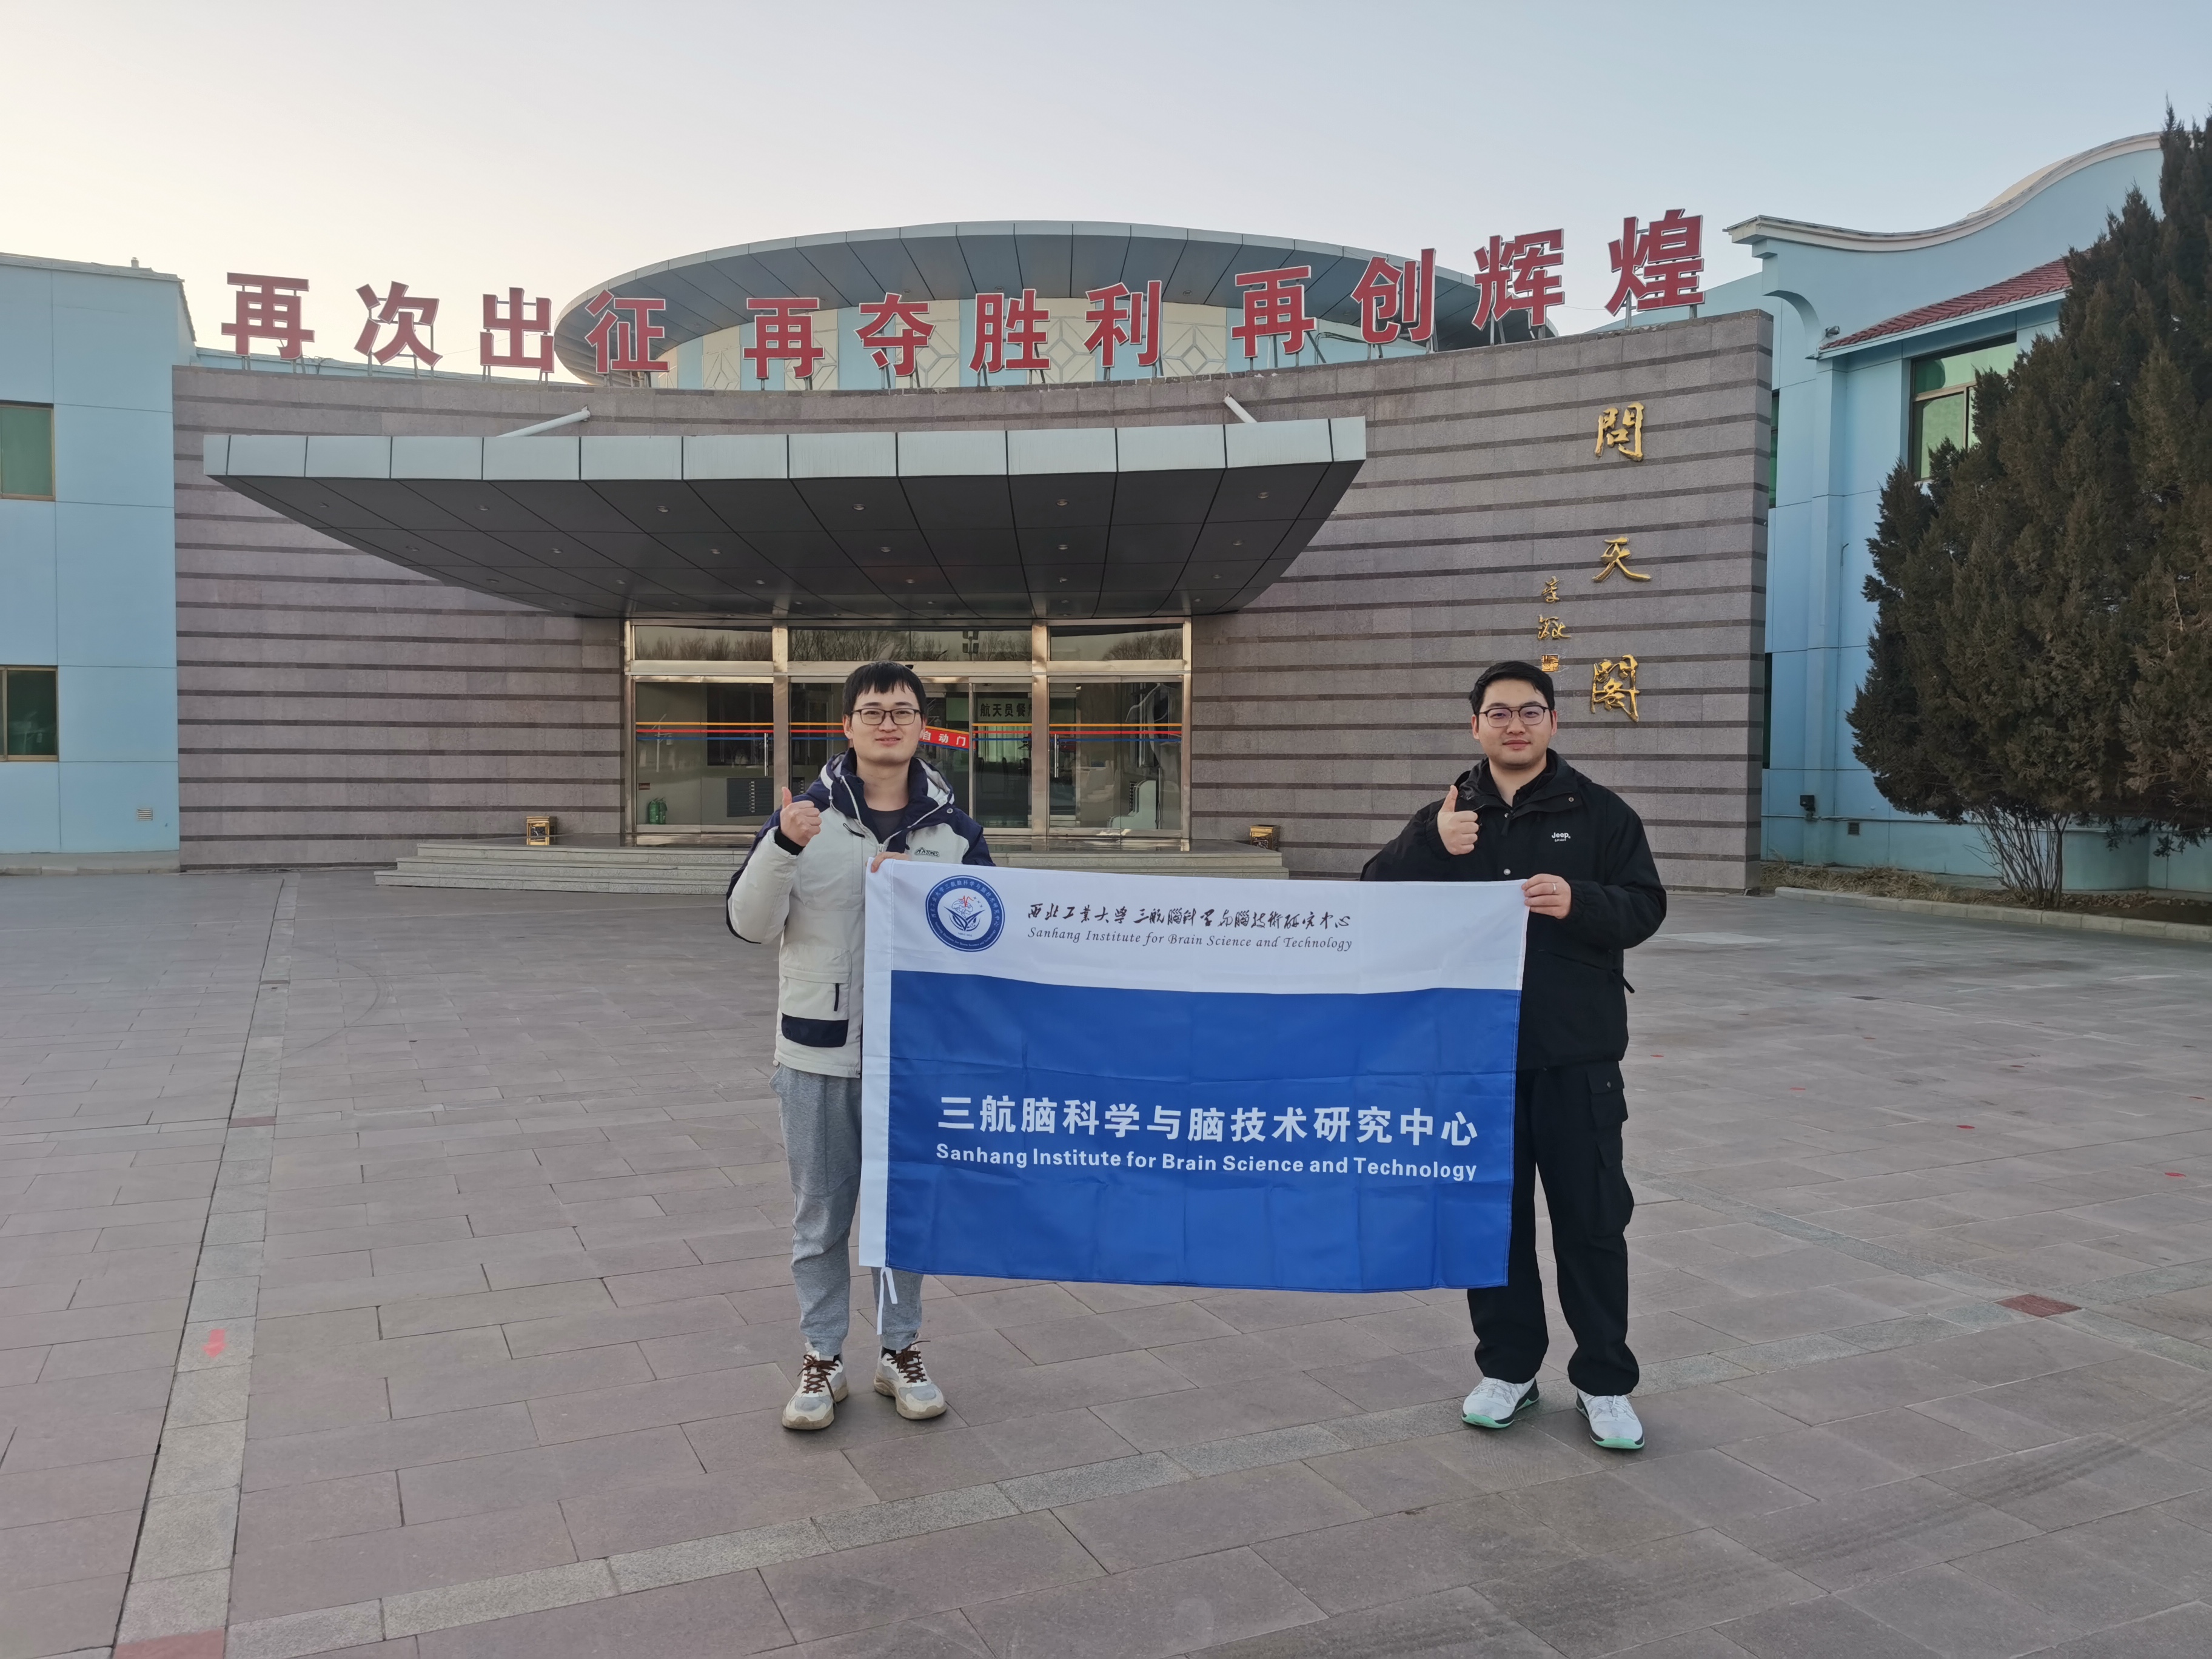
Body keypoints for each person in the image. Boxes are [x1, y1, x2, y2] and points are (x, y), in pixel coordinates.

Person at [1361, 660, 1666, 1451]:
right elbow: (1374, 897)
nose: (1515, 725)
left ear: (1553, 722)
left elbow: (1645, 907)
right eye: (1498, 713)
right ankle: (1509, 1370)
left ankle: (1604, 1381)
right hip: (1475, 1064)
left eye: (1530, 711)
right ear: (1476, 726)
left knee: (1592, 1223)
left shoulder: (1601, 814)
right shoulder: (1448, 816)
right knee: (1490, 1224)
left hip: (1575, 1058)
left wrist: (1580, 901)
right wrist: (1430, 844)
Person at [726, 661, 992, 1430]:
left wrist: (924, 898)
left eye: (902, 711)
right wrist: (781, 844)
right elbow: (749, 924)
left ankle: (899, 1350)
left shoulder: (954, 833)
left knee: (901, 1211)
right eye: (872, 711)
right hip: (818, 1056)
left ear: (922, 727)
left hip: (913, 1061)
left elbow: (986, 944)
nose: (887, 723)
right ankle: (822, 1356)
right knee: (821, 1217)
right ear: (846, 726)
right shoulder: (804, 818)